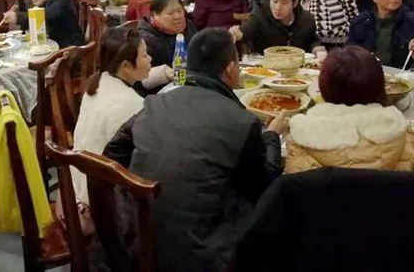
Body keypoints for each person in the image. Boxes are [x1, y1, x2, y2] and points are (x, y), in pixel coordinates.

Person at [104, 28, 286, 272]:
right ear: (231, 69)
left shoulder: (156, 103)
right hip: (198, 257)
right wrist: (272, 136)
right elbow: (263, 187)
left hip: (131, 243)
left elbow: (112, 154)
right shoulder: (242, 122)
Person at [285, 45, 414, 174]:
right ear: (379, 86)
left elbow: (292, 187)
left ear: (324, 87)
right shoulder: (399, 131)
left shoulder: (301, 135)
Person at [70, 27, 150, 218]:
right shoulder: (130, 104)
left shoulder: (97, 83)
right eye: (145, 55)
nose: (150, 59)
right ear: (126, 66)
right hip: (101, 202)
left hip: (78, 184)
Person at [230, 0, 318, 54]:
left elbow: (313, 40)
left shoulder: (306, 19)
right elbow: (247, 30)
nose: (278, 7)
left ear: (295, 3)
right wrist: (238, 34)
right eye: (275, 1)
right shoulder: (260, 15)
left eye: (284, 3)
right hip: (265, 66)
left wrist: (317, 49)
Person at [137, 0, 198, 90]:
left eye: (180, 11)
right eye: (170, 13)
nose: (177, 17)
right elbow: (142, 77)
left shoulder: (188, 26)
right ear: (155, 14)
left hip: (192, 81)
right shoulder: (146, 39)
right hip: (163, 89)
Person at [5, 0, 84, 48]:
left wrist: (18, 17)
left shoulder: (59, 1)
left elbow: (49, 15)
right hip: (49, 46)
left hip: (70, 48)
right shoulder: (39, 5)